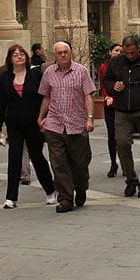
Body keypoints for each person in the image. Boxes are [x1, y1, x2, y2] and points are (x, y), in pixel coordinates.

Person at [101, 34, 140, 198]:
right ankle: (131, 180)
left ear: (138, 50)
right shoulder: (116, 62)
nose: (129, 56)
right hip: (122, 110)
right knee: (121, 144)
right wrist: (113, 86)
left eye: (133, 53)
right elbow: (106, 80)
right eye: (126, 53)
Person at [0, 45, 56, 209]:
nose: (19, 57)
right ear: (10, 59)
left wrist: (45, 118)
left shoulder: (35, 74)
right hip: (14, 123)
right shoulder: (6, 78)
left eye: (22, 54)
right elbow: (1, 103)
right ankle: (11, 197)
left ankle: (50, 191)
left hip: (33, 122)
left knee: (37, 157)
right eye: (15, 55)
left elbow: (45, 97)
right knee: (14, 158)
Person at [38, 41, 96, 213]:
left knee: (79, 164)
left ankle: (81, 187)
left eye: (66, 52)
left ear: (70, 53)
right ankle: (65, 199)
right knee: (59, 164)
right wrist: (41, 117)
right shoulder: (49, 73)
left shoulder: (81, 71)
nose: (63, 55)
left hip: (77, 125)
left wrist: (90, 118)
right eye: (59, 53)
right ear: (54, 55)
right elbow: (46, 97)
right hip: (55, 125)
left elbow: (88, 96)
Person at [98, 43, 123, 177]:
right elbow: (103, 84)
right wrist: (107, 96)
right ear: (110, 52)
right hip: (109, 105)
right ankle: (113, 163)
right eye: (116, 50)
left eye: (120, 51)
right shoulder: (104, 67)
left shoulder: (125, 66)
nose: (118, 53)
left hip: (122, 105)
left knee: (123, 136)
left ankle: (125, 163)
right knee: (112, 135)